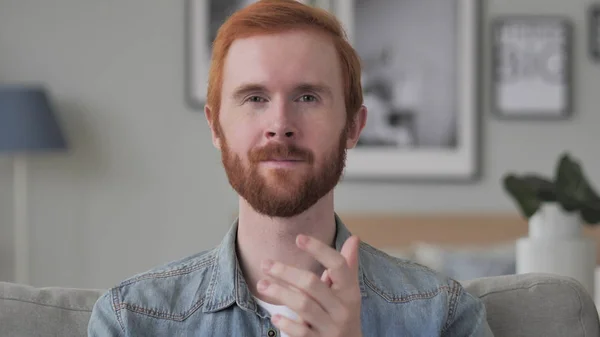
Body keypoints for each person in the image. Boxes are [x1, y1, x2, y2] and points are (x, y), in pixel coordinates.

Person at [88, 1, 494, 336]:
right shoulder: (130, 320)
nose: (280, 124)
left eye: (307, 97)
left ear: (353, 126)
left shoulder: (444, 316)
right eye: (254, 98)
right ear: (215, 127)